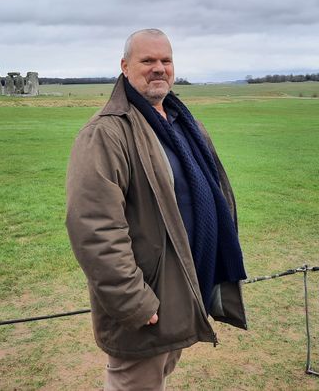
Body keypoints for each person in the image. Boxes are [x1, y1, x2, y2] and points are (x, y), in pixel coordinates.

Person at [66, 29, 247, 390]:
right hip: (147, 299)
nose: (158, 69)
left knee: (160, 374)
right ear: (124, 66)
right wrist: (134, 302)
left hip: (183, 287)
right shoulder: (107, 133)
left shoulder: (183, 123)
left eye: (166, 60)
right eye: (147, 61)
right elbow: (94, 227)